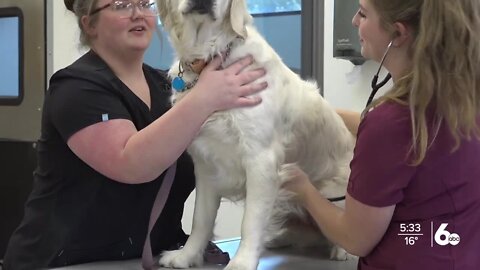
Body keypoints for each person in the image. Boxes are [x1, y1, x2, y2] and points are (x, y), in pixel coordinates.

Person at [2, 0, 267, 269]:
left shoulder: (170, 86)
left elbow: (219, 163)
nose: (137, 13)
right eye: (121, 5)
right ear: (89, 24)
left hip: (148, 257)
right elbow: (131, 163)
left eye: (144, 3)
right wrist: (205, 98)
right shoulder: (75, 89)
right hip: (64, 261)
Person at [281, 0, 480, 269]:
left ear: (397, 34)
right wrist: (318, 110)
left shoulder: (389, 125)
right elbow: (398, 135)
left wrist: (302, 189)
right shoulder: (463, 102)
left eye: (363, 13)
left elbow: (354, 239)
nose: (353, 21)